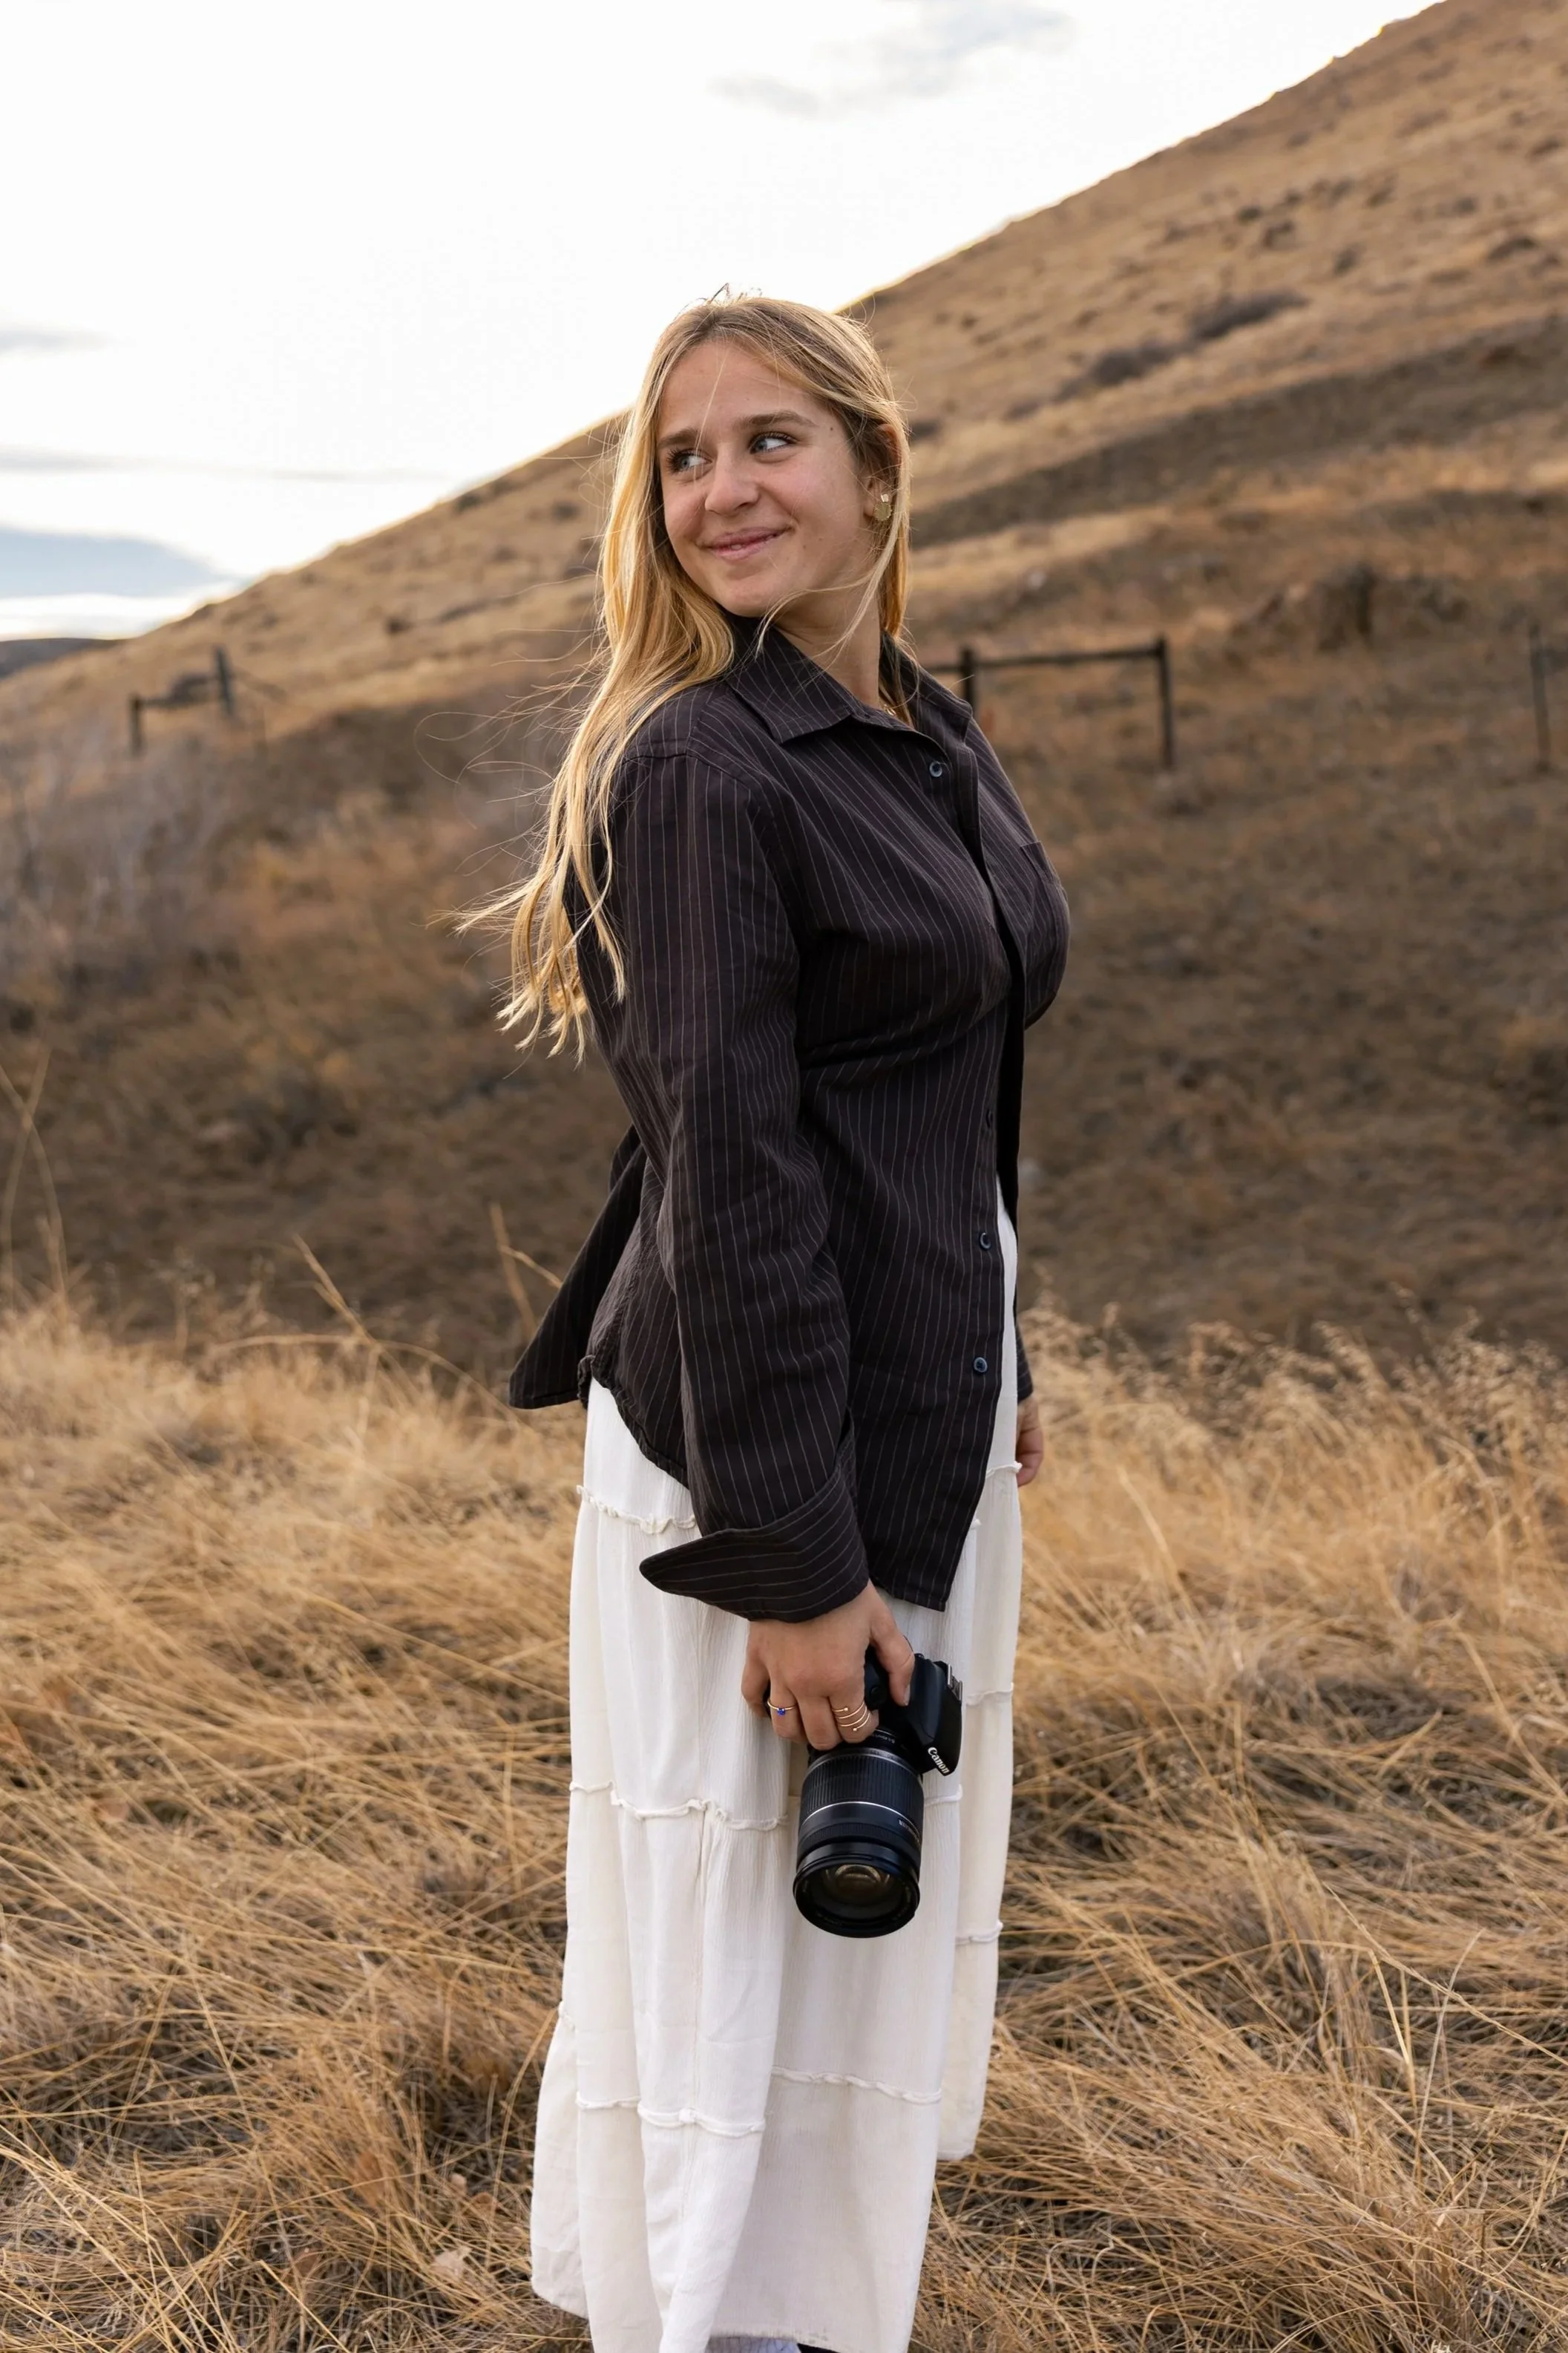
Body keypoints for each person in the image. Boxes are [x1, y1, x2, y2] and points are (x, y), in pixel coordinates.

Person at [500, 294, 1069, 2353]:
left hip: (916, 1398)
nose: (721, 490)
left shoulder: (924, 729)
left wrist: (1009, 1337)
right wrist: (798, 1566)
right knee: (750, 1928)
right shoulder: (701, 771)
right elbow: (731, 1174)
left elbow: (953, 1075)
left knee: (850, 1922)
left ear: (874, 467)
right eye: (681, 455)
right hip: (761, 1443)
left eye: (768, 442)